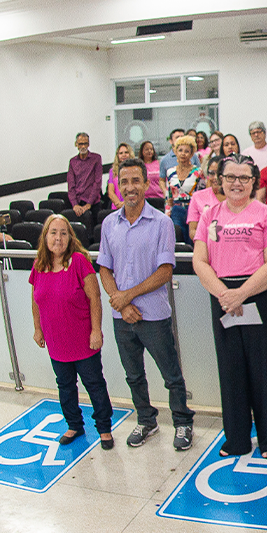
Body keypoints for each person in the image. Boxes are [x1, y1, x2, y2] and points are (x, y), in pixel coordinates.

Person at [192, 154, 267, 458]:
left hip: (259, 295)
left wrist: (241, 294)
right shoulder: (210, 215)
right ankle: (236, 440)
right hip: (222, 296)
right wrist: (225, 293)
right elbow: (199, 260)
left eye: (244, 178)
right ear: (220, 180)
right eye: (230, 177)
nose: (236, 183)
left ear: (253, 182)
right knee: (231, 369)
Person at [98, 158, 193, 450]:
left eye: (135, 181)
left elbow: (165, 271)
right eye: (124, 182)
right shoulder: (109, 223)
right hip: (122, 318)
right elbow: (104, 268)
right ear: (118, 184)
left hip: (153, 316)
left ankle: (182, 422)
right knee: (134, 375)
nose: (130, 188)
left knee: (171, 374)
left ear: (145, 183)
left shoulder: (161, 223)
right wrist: (121, 303)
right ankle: (146, 420)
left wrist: (127, 296)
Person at [30, 214, 114, 449]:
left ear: (70, 237)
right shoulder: (39, 265)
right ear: (45, 237)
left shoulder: (79, 261)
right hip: (56, 341)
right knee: (65, 386)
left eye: (63, 233)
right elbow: (35, 299)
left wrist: (96, 330)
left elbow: (94, 298)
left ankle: (104, 428)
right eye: (53, 232)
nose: (58, 238)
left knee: (94, 384)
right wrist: (38, 328)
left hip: (82, 340)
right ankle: (74, 425)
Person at [163, 135, 201, 242]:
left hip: (193, 210)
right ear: (175, 152)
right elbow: (168, 196)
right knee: (177, 239)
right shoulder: (170, 172)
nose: (183, 154)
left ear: (191, 153)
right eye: (180, 150)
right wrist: (167, 216)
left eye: (186, 151)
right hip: (176, 210)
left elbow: (201, 195)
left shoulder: (198, 172)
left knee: (192, 240)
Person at [187, 155, 225, 241]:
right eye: (212, 173)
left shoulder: (234, 197)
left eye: (219, 173)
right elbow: (192, 231)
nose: (215, 177)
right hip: (205, 246)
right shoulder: (197, 197)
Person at [67, 132, 104, 219]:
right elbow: (71, 185)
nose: (83, 147)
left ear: (89, 144)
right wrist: (75, 204)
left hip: (93, 204)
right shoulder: (72, 162)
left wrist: (89, 204)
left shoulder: (96, 158)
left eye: (85, 144)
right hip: (77, 204)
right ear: (76, 144)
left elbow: (97, 182)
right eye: (80, 144)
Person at [106, 143, 134, 209]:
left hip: (132, 206)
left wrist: (126, 204)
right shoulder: (112, 171)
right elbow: (110, 191)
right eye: (121, 153)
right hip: (117, 207)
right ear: (117, 155)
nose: (124, 155)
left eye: (126, 152)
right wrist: (118, 204)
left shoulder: (135, 169)